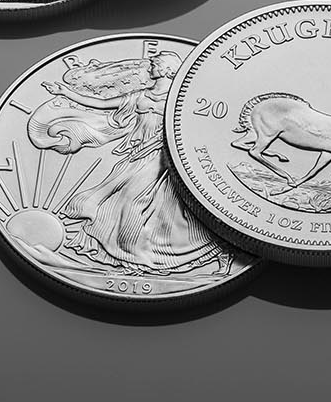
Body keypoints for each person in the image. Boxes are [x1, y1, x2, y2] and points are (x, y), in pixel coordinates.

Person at [63, 50, 222, 274]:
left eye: (155, 64)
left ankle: (135, 252)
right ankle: (124, 255)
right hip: (137, 155)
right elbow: (102, 103)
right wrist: (67, 93)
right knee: (116, 199)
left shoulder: (182, 100)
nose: (151, 68)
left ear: (167, 69)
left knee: (133, 200)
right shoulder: (142, 95)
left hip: (163, 158)